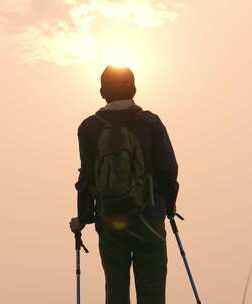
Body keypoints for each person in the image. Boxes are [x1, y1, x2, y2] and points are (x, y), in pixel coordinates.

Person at [69, 65, 179, 304]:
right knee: (152, 293)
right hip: (149, 219)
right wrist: (169, 208)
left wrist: (83, 217)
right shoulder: (150, 122)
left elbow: (87, 178)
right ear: (134, 89)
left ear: (101, 92)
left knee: (116, 293)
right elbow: (169, 170)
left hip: (110, 224)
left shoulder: (89, 127)